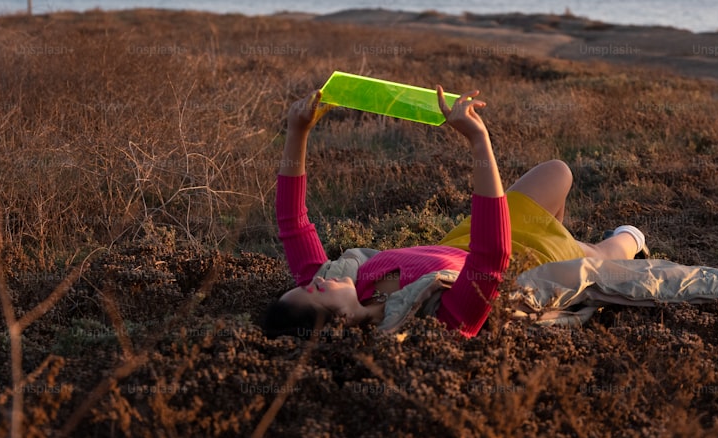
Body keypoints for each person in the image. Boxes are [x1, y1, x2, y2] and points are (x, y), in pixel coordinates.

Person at [260, 86, 647, 339]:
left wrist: (298, 130)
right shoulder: (438, 322)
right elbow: (492, 260)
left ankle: (561, 234)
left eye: (308, 282)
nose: (316, 280)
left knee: (557, 172)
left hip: (466, 240)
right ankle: (629, 238)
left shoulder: (345, 281)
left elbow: (293, 223)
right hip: (524, 262)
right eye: (313, 292)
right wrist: (479, 140)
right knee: (604, 253)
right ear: (335, 328)